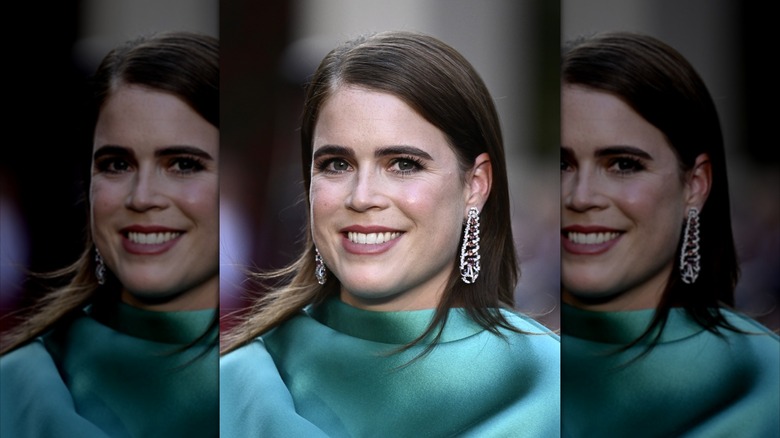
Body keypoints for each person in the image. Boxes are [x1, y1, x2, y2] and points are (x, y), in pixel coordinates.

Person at [220, 30, 560, 437]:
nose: (362, 197)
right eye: (336, 164)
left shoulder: (557, 385)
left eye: (403, 164)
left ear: (475, 185)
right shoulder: (235, 385)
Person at [560, 31, 780, 437]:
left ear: (694, 184)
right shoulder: (502, 376)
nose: (581, 196)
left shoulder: (764, 382)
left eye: (623, 164)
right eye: (563, 164)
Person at [0, 31, 219, 437]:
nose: (142, 197)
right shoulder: (17, 386)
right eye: (117, 164)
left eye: (183, 164)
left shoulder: (287, 374)